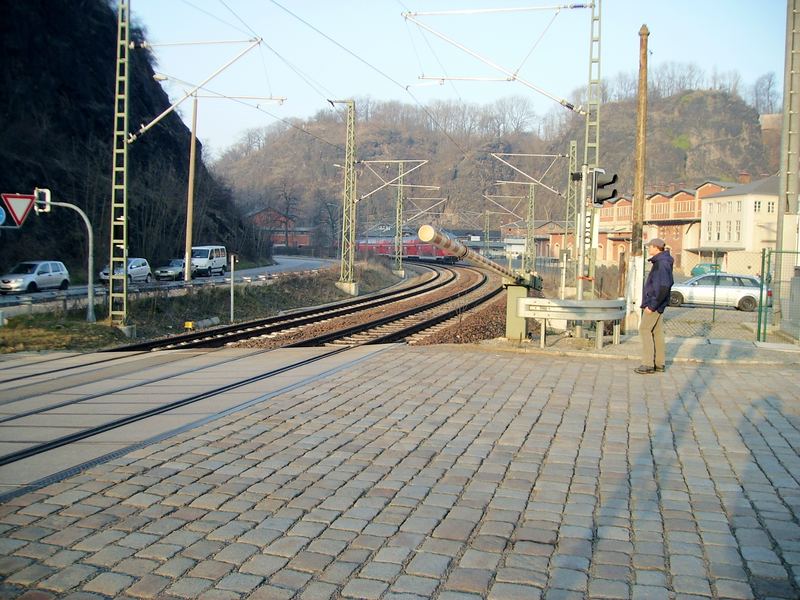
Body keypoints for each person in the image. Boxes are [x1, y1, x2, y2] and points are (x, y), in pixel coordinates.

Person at [636, 238, 674, 374]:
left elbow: (664, 285)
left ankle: (647, 364)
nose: (648, 249)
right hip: (658, 303)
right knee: (657, 332)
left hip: (654, 303)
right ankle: (659, 363)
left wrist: (652, 305)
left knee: (644, 329)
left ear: (656, 248)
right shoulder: (663, 261)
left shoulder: (661, 263)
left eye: (650, 247)